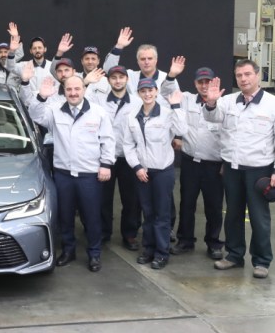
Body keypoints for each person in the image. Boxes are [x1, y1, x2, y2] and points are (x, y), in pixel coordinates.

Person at [203, 59, 275, 279]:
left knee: (259, 218)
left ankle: (262, 261)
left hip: (259, 171)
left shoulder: (274, 105)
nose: (243, 79)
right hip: (232, 169)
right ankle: (234, 255)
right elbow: (211, 118)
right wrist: (211, 103)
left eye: (247, 74)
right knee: (232, 214)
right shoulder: (228, 101)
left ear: (257, 75)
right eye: (239, 75)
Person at [29, 75, 115, 272]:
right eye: (69, 90)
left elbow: (108, 140)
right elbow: (35, 114)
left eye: (77, 89)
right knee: (65, 215)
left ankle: (94, 254)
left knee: (92, 216)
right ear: (64, 91)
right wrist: (42, 96)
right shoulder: (55, 111)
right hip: (63, 174)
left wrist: (106, 165)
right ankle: (69, 250)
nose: (74, 93)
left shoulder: (98, 112)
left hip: (90, 174)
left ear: (84, 90)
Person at [122, 78, 186, 270]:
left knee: (162, 214)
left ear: (156, 92)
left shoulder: (167, 113)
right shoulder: (132, 116)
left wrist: (176, 107)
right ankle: (148, 249)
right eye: (143, 91)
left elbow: (182, 130)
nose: (147, 94)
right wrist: (137, 167)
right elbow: (128, 145)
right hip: (143, 173)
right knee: (148, 213)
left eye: (150, 90)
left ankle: (161, 252)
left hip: (163, 172)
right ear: (139, 94)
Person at [170, 67, 225, 260]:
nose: (204, 85)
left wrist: (226, 161)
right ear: (195, 84)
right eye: (200, 82)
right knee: (187, 203)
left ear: (213, 83)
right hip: (190, 162)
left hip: (214, 165)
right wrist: (171, 75)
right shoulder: (186, 99)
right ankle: (185, 240)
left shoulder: (223, 104)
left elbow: (230, 135)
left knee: (214, 206)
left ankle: (214, 243)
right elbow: (168, 92)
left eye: (208, 82)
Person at [86, 65, 143, 251]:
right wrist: (87, 82)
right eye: (114, 78)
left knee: (131, 199)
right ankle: (104, 232)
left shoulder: (137, 102)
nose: (118, 81)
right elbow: (83, 104)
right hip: (105, 158)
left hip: (129, 158)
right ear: (108, 81)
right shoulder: (99, 101)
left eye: (121, 77)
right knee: (103, 198)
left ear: (127, 79)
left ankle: (130, 234)